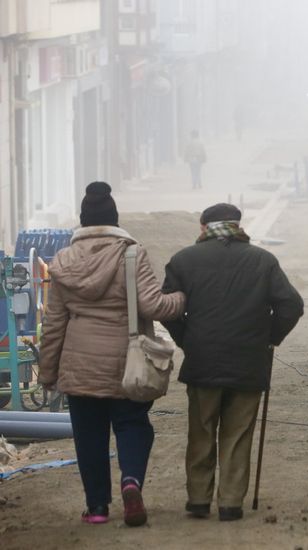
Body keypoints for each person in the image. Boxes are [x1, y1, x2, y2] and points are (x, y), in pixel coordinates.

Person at [38, 181, 186, 527]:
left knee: (89, 437)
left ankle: (98, 508)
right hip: (126, 363)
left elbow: (54, 324)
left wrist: (47, 373)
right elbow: (154, 304)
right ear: (114, 218)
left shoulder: (63, 260)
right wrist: (181, 299)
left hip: (79, 367)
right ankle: (131, 481)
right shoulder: (131, 254)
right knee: (133, 424)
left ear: (83, 221)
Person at [161, 203, 303, 522]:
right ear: (238, 226)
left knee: (201, 430)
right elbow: (291, 305)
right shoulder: (263, 261)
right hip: (249, 362)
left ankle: (198, 499)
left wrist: (187, 338)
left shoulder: (184, 260)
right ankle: (230, 503)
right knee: (237, 434)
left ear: (204, 227)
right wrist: (270, 337)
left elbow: (167, 308)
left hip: (202, 362)